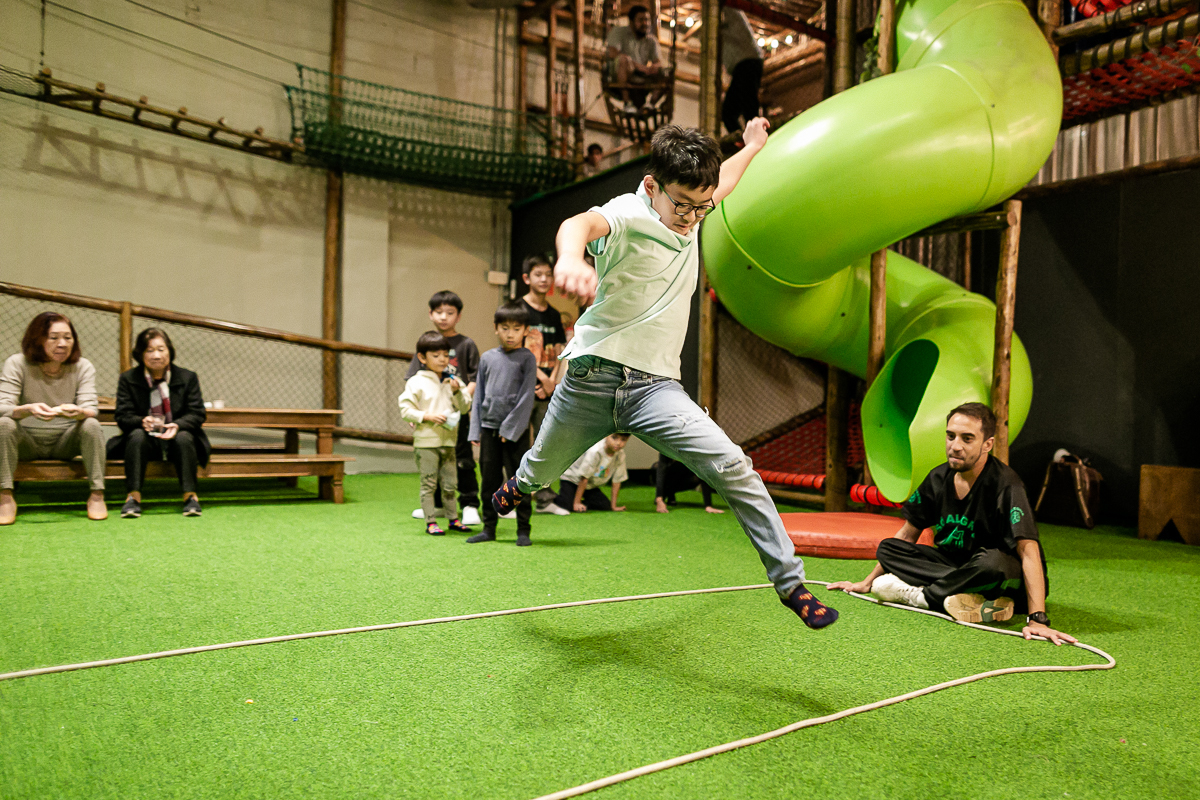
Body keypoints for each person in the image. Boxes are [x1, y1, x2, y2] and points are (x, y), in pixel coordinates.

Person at [492, 121, 839, 629]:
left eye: (702, 208)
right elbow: (578, 225)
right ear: (653, 186)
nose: (692, 218)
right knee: (542, 469)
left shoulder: (693, 207)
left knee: (735, 466)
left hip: (656, 388)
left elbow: (727, 181)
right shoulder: (629, 213)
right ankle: (521, 485)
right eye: (682, 206)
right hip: (590, 382)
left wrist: (753, 147)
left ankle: (790, 584)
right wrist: (570, 259)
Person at [827, 403, 1077, 645]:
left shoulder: (1007, 485)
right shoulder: (938, 477)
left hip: (1001, 575)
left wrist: (1037, 620)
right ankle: (968, 600)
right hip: (957, 566)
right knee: (888, 548)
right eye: (951, 436)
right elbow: (906, 536)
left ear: (987, 444)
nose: (955, 446)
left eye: (967, 439)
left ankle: (923, 597)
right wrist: (867, 582)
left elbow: (1029, 551)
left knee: (991, 563)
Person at [0, 312, 107, 524]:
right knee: (4, 424)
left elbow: (91, 408)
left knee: (92, 424)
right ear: (37, 339)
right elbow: (3, 406)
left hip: (65, 441)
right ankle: (4, 496)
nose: (62, 344)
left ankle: (97, 494)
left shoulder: (82, 366)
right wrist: (28, 409)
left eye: (68, 338)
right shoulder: (17, 363)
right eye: (54, 337)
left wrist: (80, 412)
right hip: (26, 441)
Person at [108, 327, 210, 518]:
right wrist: (141, 421)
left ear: (170, 351)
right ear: (140, 354)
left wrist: (177, 425)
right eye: (149, 350)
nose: (156, 355)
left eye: (161, 349)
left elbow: (197, 414)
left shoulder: (188, 377)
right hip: (147, 440)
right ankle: (133, 498)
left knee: (184, 437)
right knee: (136, 436)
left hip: (178, 438)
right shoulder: (128, 379)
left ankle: (190, 497)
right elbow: (122, 416)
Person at [406, 291, 482, 525]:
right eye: (438, 312)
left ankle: (469, 504)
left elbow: (474, 379)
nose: (443, 317)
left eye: (449, 313)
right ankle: (438, 505)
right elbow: (413, 380)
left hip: (457, 414)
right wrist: (417, 413)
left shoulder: (466, 344)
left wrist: (458, 400)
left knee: (463, 459)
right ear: (430, 314)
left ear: (458, 316)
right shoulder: (425, 343)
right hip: (432, 418)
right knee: (434, 459)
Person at [468, 303, 538, 546]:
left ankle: (523, 531)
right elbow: (479, 396)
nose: (510, 333)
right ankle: (489, 529)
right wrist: (475, 429)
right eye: (505, 328)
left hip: (515, 435)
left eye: (516, 328)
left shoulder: (527, 359)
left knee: (519, 482)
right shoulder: (487, 358)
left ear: (525, 330)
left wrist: (509, 430)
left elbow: (527, 397)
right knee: (488, 480)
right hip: (488, 430)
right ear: (496, 328)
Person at [400, 331, 474, 536]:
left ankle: (453, 520)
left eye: (445, 354)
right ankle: (430, 521)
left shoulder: (454, 381)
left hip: (449, 441)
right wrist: (426, 416)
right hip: (426, 443)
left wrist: (458, 391)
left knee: (451, 484)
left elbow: (466, 408)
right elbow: (405, 410)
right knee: (429, 484)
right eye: (436, 355)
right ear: (422, 358)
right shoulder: (415, 382)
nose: (442, 359)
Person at [520, 255, 570, 514]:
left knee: (545, 444)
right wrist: (541, 378)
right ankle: (514, 498)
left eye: (547, 274)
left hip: (548, 390)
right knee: (516, 442)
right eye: (538, 274)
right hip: (522, 390)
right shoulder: (518, 310)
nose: (543, 279)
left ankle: (545, 499)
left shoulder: (552, 314)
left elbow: (561, 350)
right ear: (527, 278)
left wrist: (553, 381)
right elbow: (516, 349)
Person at [549, 433, 630, 514]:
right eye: (614, 438)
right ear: (606, 436)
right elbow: (584, 478)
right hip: (572, 479)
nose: (618, 443)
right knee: (567, 506)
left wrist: (613, 506)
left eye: (623, 440)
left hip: (590, 485)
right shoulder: (595, 451)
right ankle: (547, 496)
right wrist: (577, 503)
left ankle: (575, 500)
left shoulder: (620, 455)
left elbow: (617, 481)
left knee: (604, 505)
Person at [606, 4, 665, 115]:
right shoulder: (618, 32)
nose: (645, 23)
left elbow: (658, 62)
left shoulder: (651, 40)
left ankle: (650, 104)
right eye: (641, 20)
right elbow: (612, 53)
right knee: (623, 60)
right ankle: (627, 102)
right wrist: (641, 67)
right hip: (621, 74)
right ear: (631, 22)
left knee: (666, 72)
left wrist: (653, 68)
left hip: (641, 78)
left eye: (647, 20)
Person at [720, 9, 765, 134]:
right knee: (730, 112)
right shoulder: (718, 31)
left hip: (747, 63)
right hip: (742, 66)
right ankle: (742, 142)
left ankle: (753, 140)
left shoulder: (732, 13)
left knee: (748, 109)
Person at [654, 454, 723, 514]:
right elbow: (661, 470)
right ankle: (667, 494)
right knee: (676, 465)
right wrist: (659, 499)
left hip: (684, 477)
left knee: (699, 470)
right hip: (669, 479)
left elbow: (704, 471)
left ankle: (669, 494)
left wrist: (708, 506)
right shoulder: (666, 443)